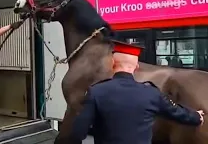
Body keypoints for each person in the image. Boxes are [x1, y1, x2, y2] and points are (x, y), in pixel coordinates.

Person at [69, 40, 205, 144]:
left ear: (112, 63)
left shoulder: (96, 92)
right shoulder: (151, 93)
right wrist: (196, 117)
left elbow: (77, 132)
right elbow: (176, 112)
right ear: (137, 67)